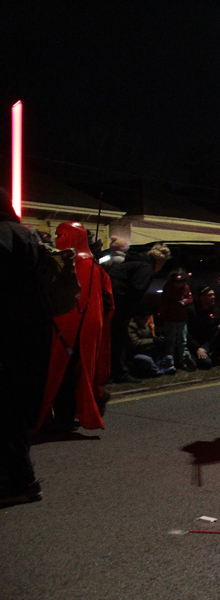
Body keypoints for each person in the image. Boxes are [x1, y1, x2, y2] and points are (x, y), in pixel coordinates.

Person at [0, 189, 75, 505]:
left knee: (6, 410)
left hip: (8, 334)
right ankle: (20, 477)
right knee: (14, 408)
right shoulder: (28, 237)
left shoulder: (4, 237)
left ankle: (20, 481)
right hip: (33, 333)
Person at [37, 222, 114, 433]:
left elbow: (86, 302)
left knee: (67, 374)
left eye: (63, 235)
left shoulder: (85, 265)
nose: (58, 239)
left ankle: (65, 417)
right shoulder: (66, 262)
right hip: (61, 327)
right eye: (57, 235)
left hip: (75, 331)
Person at [108, 242, 171, 382]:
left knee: (113, 340)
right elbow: (136, 290)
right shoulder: (145, 268)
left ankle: (114, 371)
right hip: (117, 304)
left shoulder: (134, 263)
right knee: (118, 340)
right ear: (159, 262)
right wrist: (137, 311)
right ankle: (120, 373)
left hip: (109, 300)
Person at [187, 286, 220, 369]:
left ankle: (216, 357)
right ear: (201, 297)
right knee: (206, 364)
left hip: (209, 341)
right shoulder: (192, 311)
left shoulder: (214, 309)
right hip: (196, 342)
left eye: (213, 295)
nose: (213, 297)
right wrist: (197, 347)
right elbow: (186, 333)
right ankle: (193, 357)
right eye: (209, 295)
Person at [159, 268, 195, 371]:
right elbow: (165, 302)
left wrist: (185, 301)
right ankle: (169, 361)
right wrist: (175, 303)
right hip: (170, 318)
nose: (179, 284)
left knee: (182, 340)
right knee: (170, 341)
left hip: (182, 318)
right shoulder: (168, 288)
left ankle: (181, 361)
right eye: (177, 282)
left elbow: (190, 298)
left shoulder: (185, 288)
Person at [127, 305, 176, 377]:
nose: (146, 321)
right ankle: (160, 371)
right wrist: (152, 341)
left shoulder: (146, 325)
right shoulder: (131, 326)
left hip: (150, 351)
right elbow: (135, 342)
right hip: (138, 353)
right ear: (138, 317)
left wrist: (159, 338)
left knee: (168, 357)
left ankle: (161, 367)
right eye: (145, 319)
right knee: (147, 360)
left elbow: (151, 336)